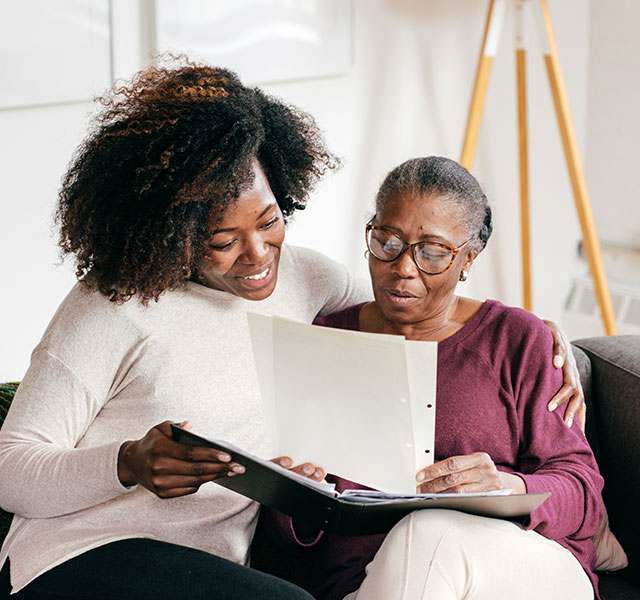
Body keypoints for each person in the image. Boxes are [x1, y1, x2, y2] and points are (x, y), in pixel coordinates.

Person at [0, 58, 581, 599]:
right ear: (169, 232)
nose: (257, 257)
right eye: (222, 242)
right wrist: (127, 463)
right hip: (78, 555)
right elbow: (11, 469)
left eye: (270, 221)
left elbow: (415, 304)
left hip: (213, 566)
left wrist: (539, 333)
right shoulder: (112, 303)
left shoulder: (310, 280)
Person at [262, 156, 604, 600]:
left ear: (467, 259)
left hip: (520, 570)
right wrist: (297, 497)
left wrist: (508, 486)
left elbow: (583, 492)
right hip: (364, 584)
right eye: (387, 241)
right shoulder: (326, 341)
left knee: (426, 533)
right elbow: (290, 537)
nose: (403, 267)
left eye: (432, 252)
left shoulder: (515, 338)